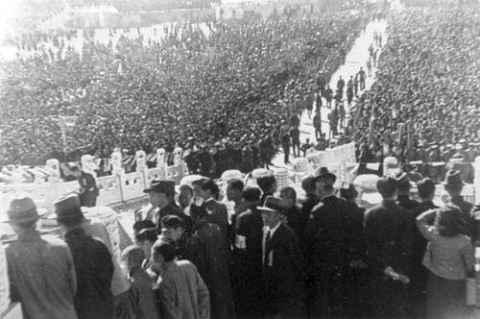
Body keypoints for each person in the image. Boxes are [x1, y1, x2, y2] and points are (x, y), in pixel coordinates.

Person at [3, 197, 78, 319]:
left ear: (13, 224)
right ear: (36, 220)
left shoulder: (9, 253)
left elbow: (9, 297)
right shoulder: (60, 245)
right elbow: (73, 288)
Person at [305, 168, 359, 318]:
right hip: (345, 260)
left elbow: (309, 239)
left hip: (324, 264)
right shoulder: (347, 205)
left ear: (318, 188)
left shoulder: (317, 210)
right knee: (342, 299)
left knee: (325, 300)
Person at [53, 194, 116, 319]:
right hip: (107, 309)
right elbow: (109, 275)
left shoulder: (63, 252)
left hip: (82, 313)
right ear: (82, 219)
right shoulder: (99, 244)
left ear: (59, 223)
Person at [364, 177, 414, 318]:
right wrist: (399, 270)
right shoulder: (406, 215)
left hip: (378, 270)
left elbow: (368, 245)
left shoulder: (370, 214)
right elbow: (408, 246)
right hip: (399, 270)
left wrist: (384, 267)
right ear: (396, 191)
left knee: (379, 309)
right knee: (398, 307)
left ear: (379, 191)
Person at [416, 205, 475, 319]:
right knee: (454, 310)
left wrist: (436, 210)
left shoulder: (433, 235)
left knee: (435, 310)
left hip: (435, 277)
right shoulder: (464, 241)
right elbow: (470, 266)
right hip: (457, 280)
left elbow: (419, 219)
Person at [184, 201, 236, 319]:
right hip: (223, 276)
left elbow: (197, 264)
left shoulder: (195, 238)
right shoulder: (217, 229)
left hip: (208, 280)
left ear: (193, 217)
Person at [258, 195, 305, 317]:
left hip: (284, 288)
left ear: (280, 215)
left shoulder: (287, 235)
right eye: (263, 213)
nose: (264, 216)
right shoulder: (264, 230)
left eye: (269, 214)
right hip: (269, 286)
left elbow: (296, 263)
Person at [152, 240, 210, 319]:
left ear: (160, 257)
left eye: (153, 254)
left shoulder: (163, 279)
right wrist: (202, 315)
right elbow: (203, 293)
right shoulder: (188, 265)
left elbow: (170, 311)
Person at [409, 178, 438, 318]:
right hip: (435, 259)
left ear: (418, 193)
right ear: (434, 192)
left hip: (416, 258)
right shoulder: (439, 212)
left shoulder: (412, 212)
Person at [234, 187, 264, 318]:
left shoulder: (243, 217)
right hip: (264, 254)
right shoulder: (266, 213)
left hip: (249, 258)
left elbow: (240, 242)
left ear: (245, 199)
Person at [120, 245, 161, 319]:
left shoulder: (130, 283)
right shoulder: (153, 276)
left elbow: (129, 312)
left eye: (122, 260)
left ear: (128, 260)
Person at [192, 178, 229, 244]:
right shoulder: (194, 207)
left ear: (208, 192)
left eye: (198, 191)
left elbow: (223, 229)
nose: (195, 194)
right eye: (194, 191)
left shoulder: (219, 206)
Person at [443, 170, 476, 241]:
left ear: (446, 188)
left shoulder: (442, 210)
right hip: (468, 248)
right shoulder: (471, 208)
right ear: (461, 188)